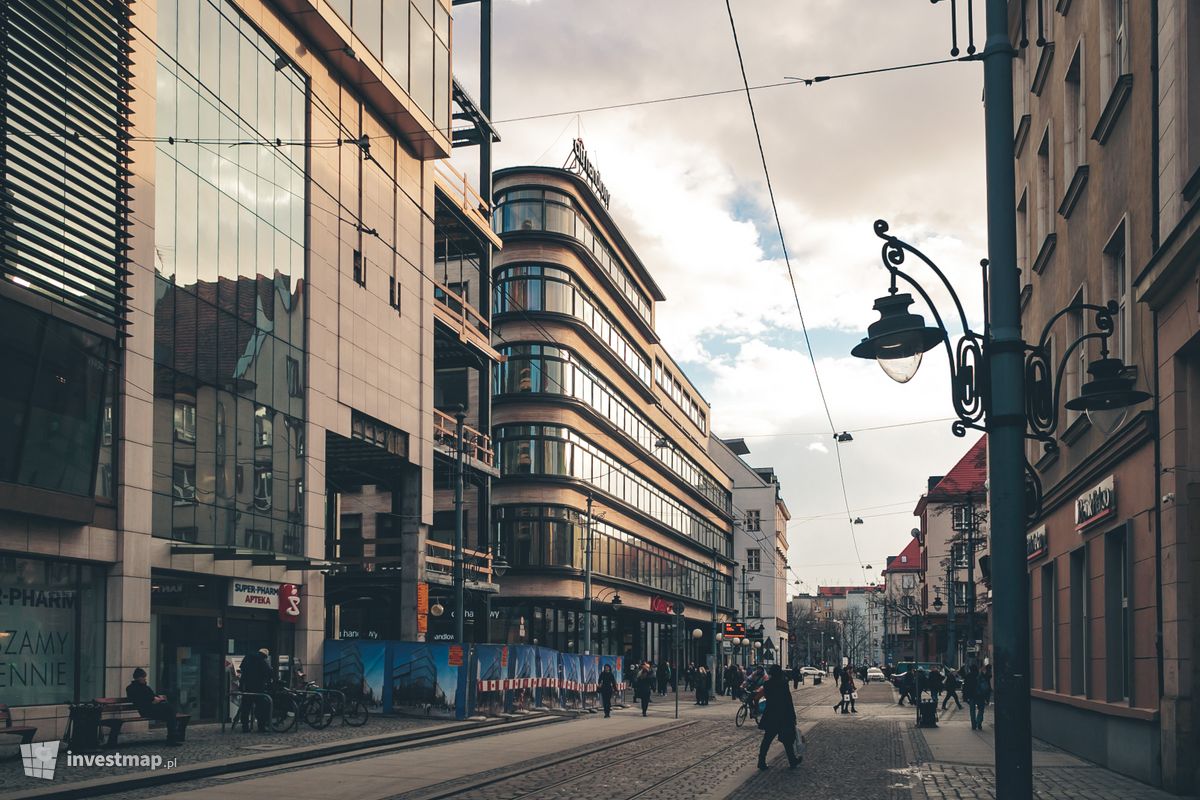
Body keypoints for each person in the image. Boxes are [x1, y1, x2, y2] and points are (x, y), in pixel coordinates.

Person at [757, 665, 800, 770]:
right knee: (787, 740)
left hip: (771, 714)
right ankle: (792, 760)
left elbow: (766, 697)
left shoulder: (767, 684)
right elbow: (788, 701)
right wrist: (793, 716)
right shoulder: (783, 684)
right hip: (783, 715)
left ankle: (761, 761)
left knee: (767, 740)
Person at [126, 668, 184, 745]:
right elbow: (139, 701)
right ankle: (172, 738)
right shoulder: (132, 688)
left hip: (153, 709)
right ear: (139, 678)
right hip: (146, 711)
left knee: (170, 711)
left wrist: (159, 698)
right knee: (170, 711)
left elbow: (152, 696)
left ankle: (172, 737)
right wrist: (153, 702)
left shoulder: (145, 687)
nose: (144, 679)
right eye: (143, 677)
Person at [239, 647, 273, 733]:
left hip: (246, 687)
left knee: (245, 708)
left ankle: (245, 727)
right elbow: (268, 672)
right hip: (258, 688)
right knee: (260, 708)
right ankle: (261, 727)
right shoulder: (262, 661)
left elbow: (242, 669)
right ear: (265, 655)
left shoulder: (248, 658)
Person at [964, 664, 991, 730]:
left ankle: (973, 724)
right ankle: (979, 722)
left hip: (971, 696)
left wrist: (965, 697)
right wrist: (987, 698)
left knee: (972, 711)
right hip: (980, 696)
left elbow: (965, 688)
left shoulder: (968, 676)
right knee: (981, 709)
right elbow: (987, 685)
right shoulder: (981, 675)